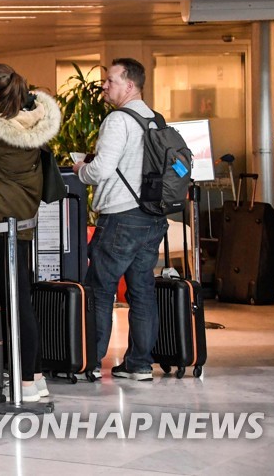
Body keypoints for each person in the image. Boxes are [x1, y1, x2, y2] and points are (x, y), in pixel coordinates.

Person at [0, 64, 61, 402]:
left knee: (13, 304)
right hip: (21, 219)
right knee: (21, 299)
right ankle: (36, 376)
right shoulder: (36, 119)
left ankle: (25, 382)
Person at [73, 58, 168, 381]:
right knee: (142, 290)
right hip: (151, 217)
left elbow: (101, 170)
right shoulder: (154, 119)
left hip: (121, 217)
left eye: (110, 80)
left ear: (129, 85)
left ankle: (91, 362)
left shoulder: (118, 120)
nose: (104, 86)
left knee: (100, 289)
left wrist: (80, 170)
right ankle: (139, 364)